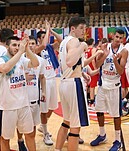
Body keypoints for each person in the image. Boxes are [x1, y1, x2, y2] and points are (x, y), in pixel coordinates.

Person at [0, 36, 39, 151]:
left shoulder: (21, 59)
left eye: (18, 45)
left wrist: (27, 49)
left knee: (29, 134)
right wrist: (20, 52)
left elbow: (36, 63)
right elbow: (5, 68)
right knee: (5, 138)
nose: (16, 48)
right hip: (8, 107)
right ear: (7, 46)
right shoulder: (0, 60)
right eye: (14, 45)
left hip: (24, 105)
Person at [55, 16, 89, 151]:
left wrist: (82, 72)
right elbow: (70, 61)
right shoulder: (75, 41)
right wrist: (83, 46)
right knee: (75, 126)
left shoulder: (64, 42)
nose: (83, 31)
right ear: (73, 29)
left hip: (64, 82)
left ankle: (57, 149)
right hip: (74, 84)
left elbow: (70, 64)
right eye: (81, 28)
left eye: (85, 28)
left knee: (67, 121)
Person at [90, 29, 128, 151]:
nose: (118, 39)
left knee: (116, 115)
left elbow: (121, 71)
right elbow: (97, 65)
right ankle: (102, 135)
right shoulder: (105, 47)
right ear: (112, 36)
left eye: (121, 38)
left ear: (123, 39)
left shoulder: (124, 51)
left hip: (114, 86)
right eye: (117, 37)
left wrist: (116, 60)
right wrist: (105, 54)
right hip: (103, 84)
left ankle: (117, 140)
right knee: (99, 111)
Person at [16, 35, 46, 151]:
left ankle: (30, 143)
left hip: (34, 98)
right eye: (29, 44)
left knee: (33, 125)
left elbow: (42, 78)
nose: (31, 46)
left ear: (36, 45)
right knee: (20, 125)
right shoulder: (19, 59)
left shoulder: (41, 61)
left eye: (33, 43)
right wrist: (24, 77)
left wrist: (43, 92)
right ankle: (20, 140)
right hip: (22, 99)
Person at [35, 21, 63, 146]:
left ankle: (42, 125)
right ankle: (45, 133)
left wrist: (51, 31)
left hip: (52, 80)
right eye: (43, 37)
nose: (46, 38)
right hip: (43, 82)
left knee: (52, 108)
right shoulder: (36, 50)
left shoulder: (50, 48)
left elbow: (61, 41)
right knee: (43, 109)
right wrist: (46, 30)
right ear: (39, 40)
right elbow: (44, 43)